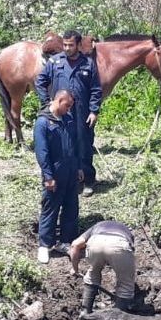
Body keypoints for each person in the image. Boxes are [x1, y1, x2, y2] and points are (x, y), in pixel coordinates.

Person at [35, 29, 102, 197]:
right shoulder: (55, 62)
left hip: (82, 113)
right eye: (64, 45)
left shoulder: (88, 64)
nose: (67, 48)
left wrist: (94, 110)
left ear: (79, 45)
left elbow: (96, 89)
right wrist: (46, 102)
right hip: (61, 115)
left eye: (70, 45)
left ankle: (87, 180)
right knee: (62, 146)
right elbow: (40, 82)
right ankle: (66, 179)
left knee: (84, 145)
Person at [34, 89, 83, 264]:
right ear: (59, 100)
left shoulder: (68, 119)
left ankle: (65, 241)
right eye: (67, 105)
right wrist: (48, 176)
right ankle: (44, 245)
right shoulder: (43, 123)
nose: (69, 109)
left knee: (71, 208)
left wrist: (78, 167)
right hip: (54, 173)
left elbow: (74, 145)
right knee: (50, 208)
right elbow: (42, 152)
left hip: (70, 171)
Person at [68, 220, 137, 317]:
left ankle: (85, 313)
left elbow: (75, 244)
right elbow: (127, 256)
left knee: (92, 274)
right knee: (126, 285)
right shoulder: (126, 231)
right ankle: (117, 318)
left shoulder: (97, 226)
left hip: (96, 242)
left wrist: (75, 270)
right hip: (119, 243)